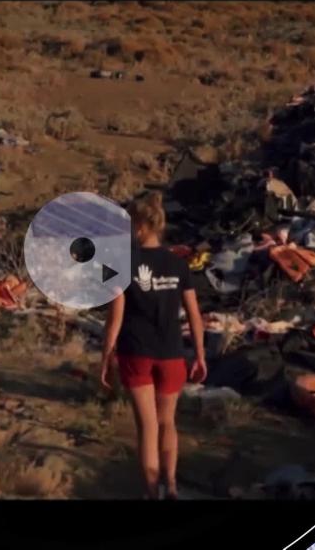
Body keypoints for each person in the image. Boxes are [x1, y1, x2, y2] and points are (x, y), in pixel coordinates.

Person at [100, 191, 207, 500]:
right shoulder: (178, 264)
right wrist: (200, 355)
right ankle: (171, 485)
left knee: (147, 426)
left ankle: (151, 492)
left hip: (136, 353)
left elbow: (115, 316)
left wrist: (105, 356)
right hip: (172, 354)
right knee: (167, 422)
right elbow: (194, 315)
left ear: (140, 227)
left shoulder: (120, 264)